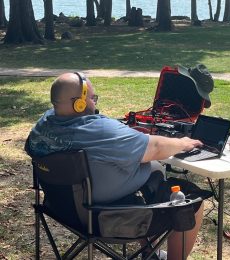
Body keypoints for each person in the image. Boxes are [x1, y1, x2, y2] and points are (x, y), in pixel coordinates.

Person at [26, 72, 206, 260]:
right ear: (78, 103)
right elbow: (156, 147)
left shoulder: (43, 124)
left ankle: (151, 252)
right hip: (102, 218)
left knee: (154, 171)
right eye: (93, 98)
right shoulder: (98, 130)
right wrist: (184, 142)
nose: (95, 103)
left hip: (61, 208)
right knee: (193, 200)